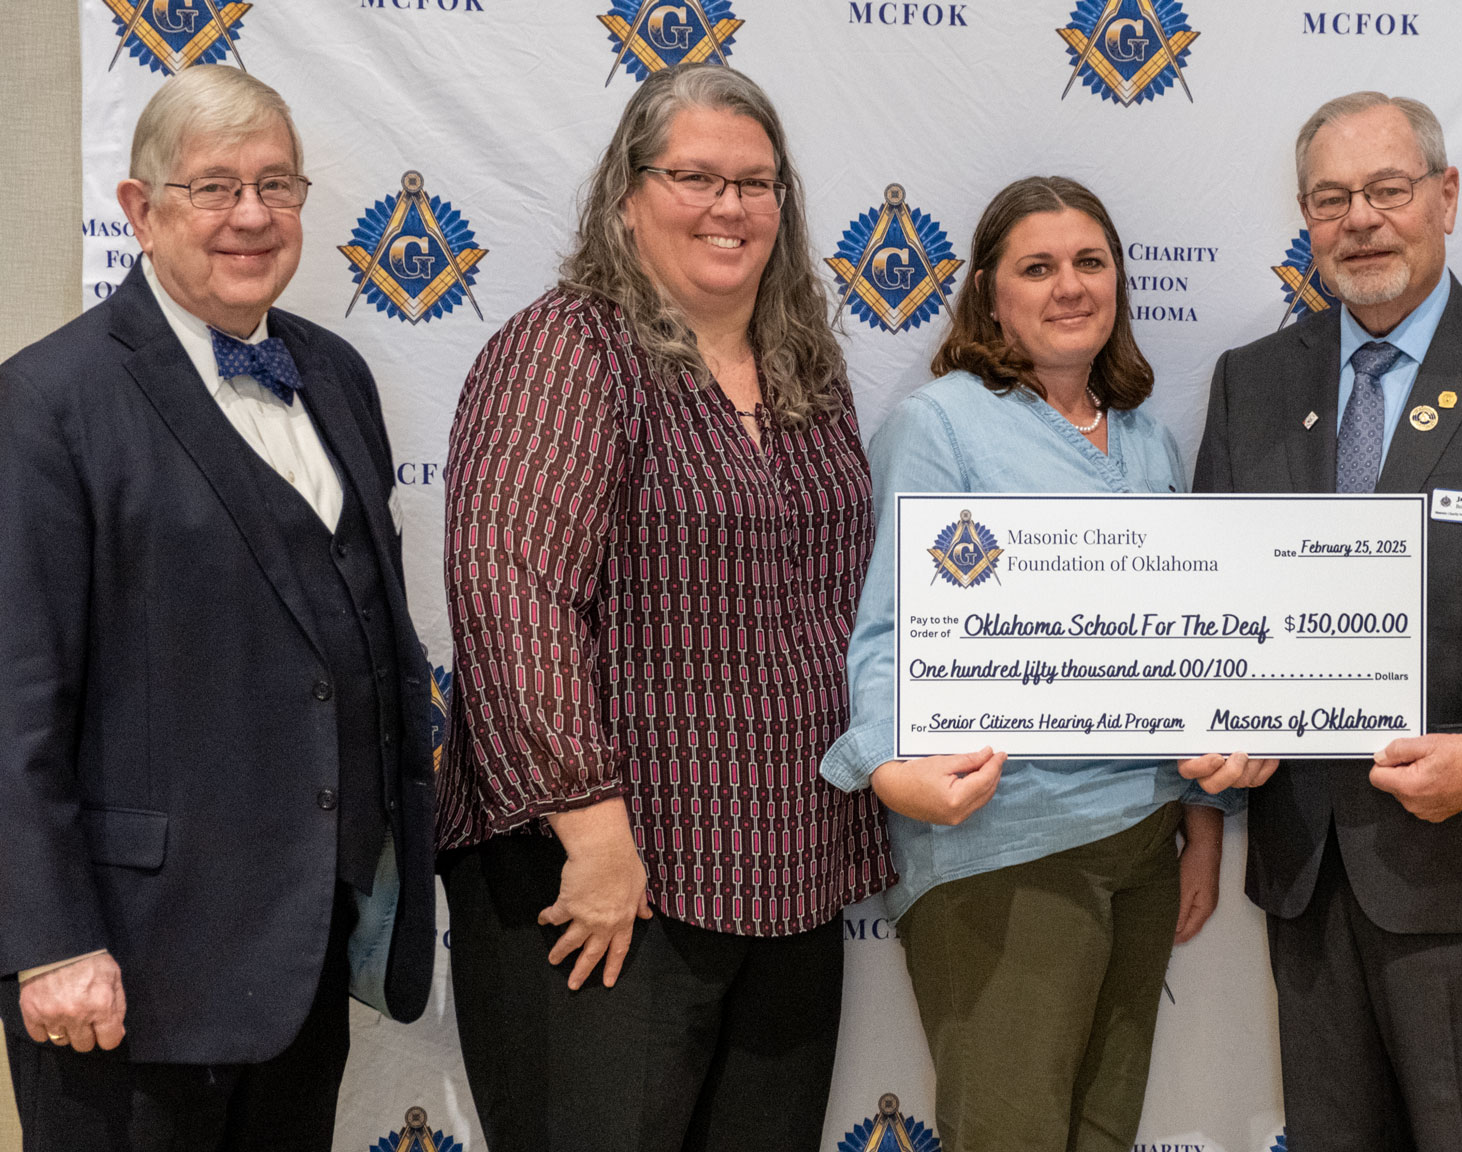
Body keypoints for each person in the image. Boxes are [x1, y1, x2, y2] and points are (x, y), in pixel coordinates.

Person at [437, 64, 891, 1152]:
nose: (728, 207)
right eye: (695, 177)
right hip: (609, 883)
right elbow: (511, 589)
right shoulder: (569, 348)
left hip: (787, 872)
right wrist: (592, 835)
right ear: (626, 193)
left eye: (755, 183)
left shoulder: (803, 367)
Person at [1185, 91, 1462, 1151]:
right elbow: (1214, 602)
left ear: (1443, 197)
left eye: (1386, 190)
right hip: (1307, 872)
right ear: (1304, 219)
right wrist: (1221, 723)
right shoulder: (1251, 383)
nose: (1360, 219)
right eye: (1330, 198)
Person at [0, 65, 437, 1152]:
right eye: (215, 187)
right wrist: (48, 942)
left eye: (277, 185)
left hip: (301, 951)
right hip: (126, 972)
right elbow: (14, 703)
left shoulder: (335, 374)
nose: (251, 215)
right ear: (140, 211)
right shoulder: (49, 401)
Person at [820, 176, 1250, 1152]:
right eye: (1037, 267)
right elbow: (890, 628)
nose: (1069, 286)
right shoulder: (940, 426)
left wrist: (1204, 828)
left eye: (1089, 263)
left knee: (1102, 1136)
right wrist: (890, 768)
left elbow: (1192, 647)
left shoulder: (1148, 440)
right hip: (1003, 844)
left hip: (1143, 843)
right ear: (989, 294)